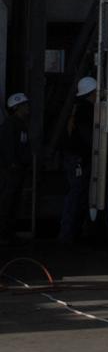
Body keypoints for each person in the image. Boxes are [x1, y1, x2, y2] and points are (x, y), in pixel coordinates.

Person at [58, 77, 98, 244]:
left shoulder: (78, 110)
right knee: (76, 194)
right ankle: (67, 235)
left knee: (78, 194)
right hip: (78, 159)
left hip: (75, 158)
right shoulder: (86, 111)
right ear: (92, 93)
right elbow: (87, 137)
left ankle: (71, 234)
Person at [0, 92, 32, 246]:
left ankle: (9, 232)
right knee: (7, 200)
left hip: (19, 168)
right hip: (11, 170)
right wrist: (12, 163)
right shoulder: (10, 125)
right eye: (24, 105)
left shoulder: (21, 124)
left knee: (14, 201)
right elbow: (8, 147)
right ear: (16, 108)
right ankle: (4, 233)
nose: (27, 107)